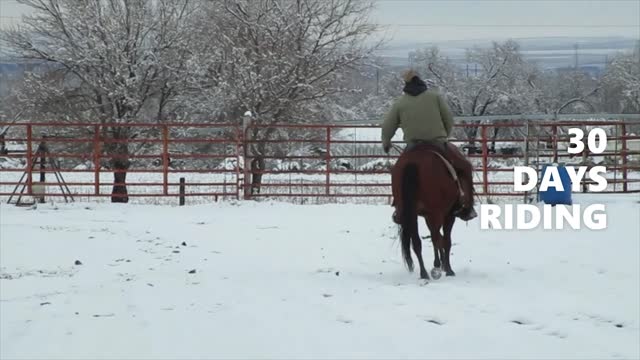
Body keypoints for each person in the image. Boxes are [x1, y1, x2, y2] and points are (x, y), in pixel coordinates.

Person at [381, 69, 477, 222]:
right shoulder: (435, 97)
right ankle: (467, 206)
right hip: (437, 143)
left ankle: (399, 205)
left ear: (405, 84)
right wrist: (444, 135)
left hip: (413, 146)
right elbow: (448, 119)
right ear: (420, 80)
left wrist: (386, 142)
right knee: (464, 166)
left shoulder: (400, 103)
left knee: (398, 172)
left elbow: (387, 127)